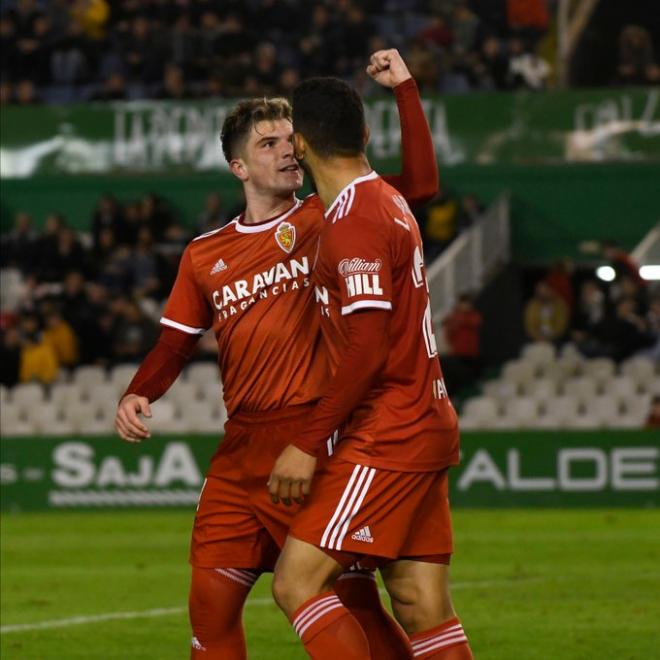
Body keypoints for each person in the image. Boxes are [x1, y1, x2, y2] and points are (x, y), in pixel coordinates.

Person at [115, 49, 438, 659]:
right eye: (268, 143)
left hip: (315, 442)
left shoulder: (331, 215)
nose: (288, 149)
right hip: (241, 451)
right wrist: (139, 391)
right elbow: (174, 343)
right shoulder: (204, 254)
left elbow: (419, 184)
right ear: (238, 165)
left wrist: (405, 91)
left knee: (349, 601)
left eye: (292, 138)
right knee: (209, 612)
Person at [268, 73, 472, 658]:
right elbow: (426, 182)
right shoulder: (383, 198)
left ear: (301, 146)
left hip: (390, 428)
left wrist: (307, 443)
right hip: (426, 418)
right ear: (362, 133)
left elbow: (367, 348)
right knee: (419, 604)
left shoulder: (354, 219)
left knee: (296, 582)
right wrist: (406, 90)